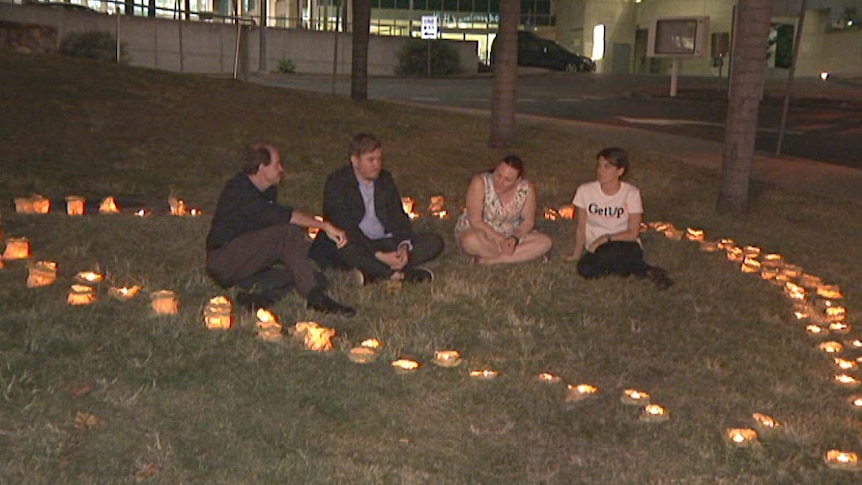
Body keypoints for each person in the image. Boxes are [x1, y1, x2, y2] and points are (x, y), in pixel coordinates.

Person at [206, 143, 356, 315]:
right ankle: (317, 300)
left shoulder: (267, 190)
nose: (281, 168)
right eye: (277, 164)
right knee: (288, 233)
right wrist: (324, 225)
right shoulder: (239, 191)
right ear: (262, 168)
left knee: (311, 276)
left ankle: (261, 299)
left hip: (250, 265)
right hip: (225, 262)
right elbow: (284, 218)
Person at [309, 133, 444, 284]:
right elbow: (343, 226)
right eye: (370, 160)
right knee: (343, 247)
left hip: (383, 241)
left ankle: (371, 272)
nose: (376, 165)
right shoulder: (338, 182)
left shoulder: (385, 180)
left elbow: (398, 217)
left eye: (379, 159)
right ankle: (396, 275)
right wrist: (378, 255)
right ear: (355, 160)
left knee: (434, 242)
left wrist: (403, 247)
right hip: (355, 242)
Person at [567, 147, 672, 289]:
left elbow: (633, 232)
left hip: (623, 243)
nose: (600, 171)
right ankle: (644, 270)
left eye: (607, 167)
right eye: (599, 166)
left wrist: (606, 238)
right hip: (597, 248)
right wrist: (576, 253)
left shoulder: (631, 193)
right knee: (585, 269)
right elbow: (581, 226)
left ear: (620, 171)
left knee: (619, 253)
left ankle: (631, 268)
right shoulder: (585, 191)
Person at [454, 155, 552, 264]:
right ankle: (521, 256)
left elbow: (528, 223)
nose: (499, 182)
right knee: (470, 240)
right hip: (482, 232)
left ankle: (489, 260)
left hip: (510, 232)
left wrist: (514, 238)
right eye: (498, 175)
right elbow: (475, 221)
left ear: (517, 181)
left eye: (507, 180)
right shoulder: (480, 183)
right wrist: (501, 240)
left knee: (545, 242)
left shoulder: (526, 189)